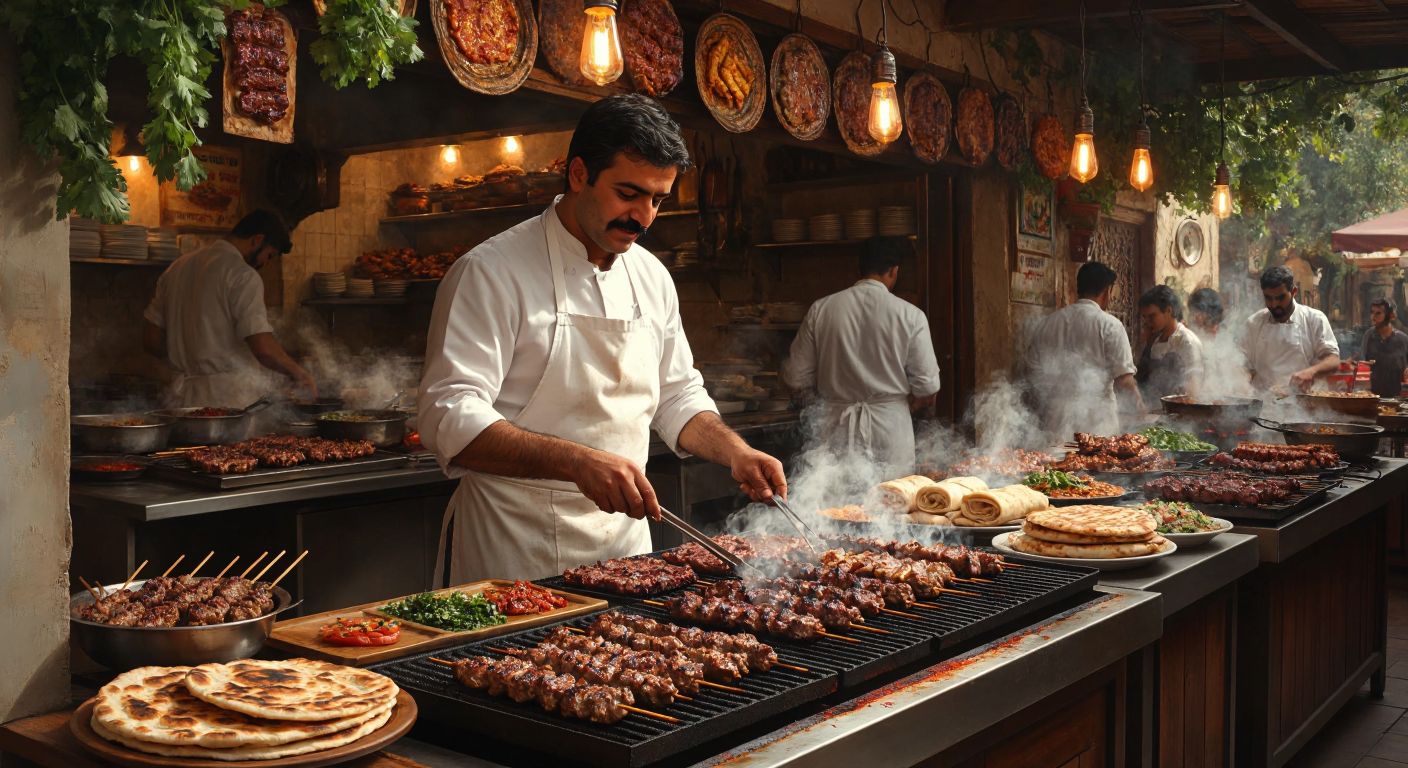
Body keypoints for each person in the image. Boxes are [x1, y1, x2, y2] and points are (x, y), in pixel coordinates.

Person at [418, 94, 787, 583]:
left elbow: (677, 394)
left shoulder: (653, 276)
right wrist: (576, 461)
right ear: (577, 175)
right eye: (628, 193)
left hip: (624, 552)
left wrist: (735, 451)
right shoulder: (490, 272)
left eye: (657, 199)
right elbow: (447, 416)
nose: (644, 216)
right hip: (511, 552)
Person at [782, 237, 941, 476]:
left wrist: (824, 407)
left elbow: (795, 379)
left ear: (859, 268)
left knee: (836, 505)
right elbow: (928, 389)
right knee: (892, 504)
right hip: (890, 429)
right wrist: (901, 405)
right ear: (894, 271)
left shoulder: (821, 309)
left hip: (835, 427)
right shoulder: (911, 316)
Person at [142, 210, 315, 407]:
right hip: (225, 402)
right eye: (269, 255)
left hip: (179, 399)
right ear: (257, 240)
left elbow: (151, 340)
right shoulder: (242, 275)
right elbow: (263, 348)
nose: (265, 263)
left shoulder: (176, 268)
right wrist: (299, 373)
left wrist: (187, 355)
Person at [1024, 262, 1142, 437]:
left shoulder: (1046, 324)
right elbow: (1124, 381)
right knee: (1095, 463)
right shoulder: (1110, 325)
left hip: (1054, 423)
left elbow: (1032, 376)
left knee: (1058, 464)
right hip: (1096, 426)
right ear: (1106, 292)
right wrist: (1141, 411)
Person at [1242, 265, 1339, 392]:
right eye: (1268, 298)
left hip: (1306, 403)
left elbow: (1333, 360)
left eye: (1280, 297)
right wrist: (1241, 382)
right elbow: (1242, 365)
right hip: (1265, 405)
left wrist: (1311, 372)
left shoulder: (1315, 319)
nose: (1274, 304)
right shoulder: (1253, 323)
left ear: (1293, 292)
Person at [1135, 285, 1204, 401]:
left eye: (1152, 316)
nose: (1147, 322)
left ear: (1168, 310)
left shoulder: (1187, 341)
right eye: (1144, 317)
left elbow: (1194, 388)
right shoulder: (1155, 341)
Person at [1359, 298, 1408, 399]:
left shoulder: (1402, 339)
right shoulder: (1369, 336)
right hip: (1373, 397)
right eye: (1372, 313)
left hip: (1398, 399)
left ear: (1391, 316)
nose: (1373, 317)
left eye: (1378, 313)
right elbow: (1363, 365)